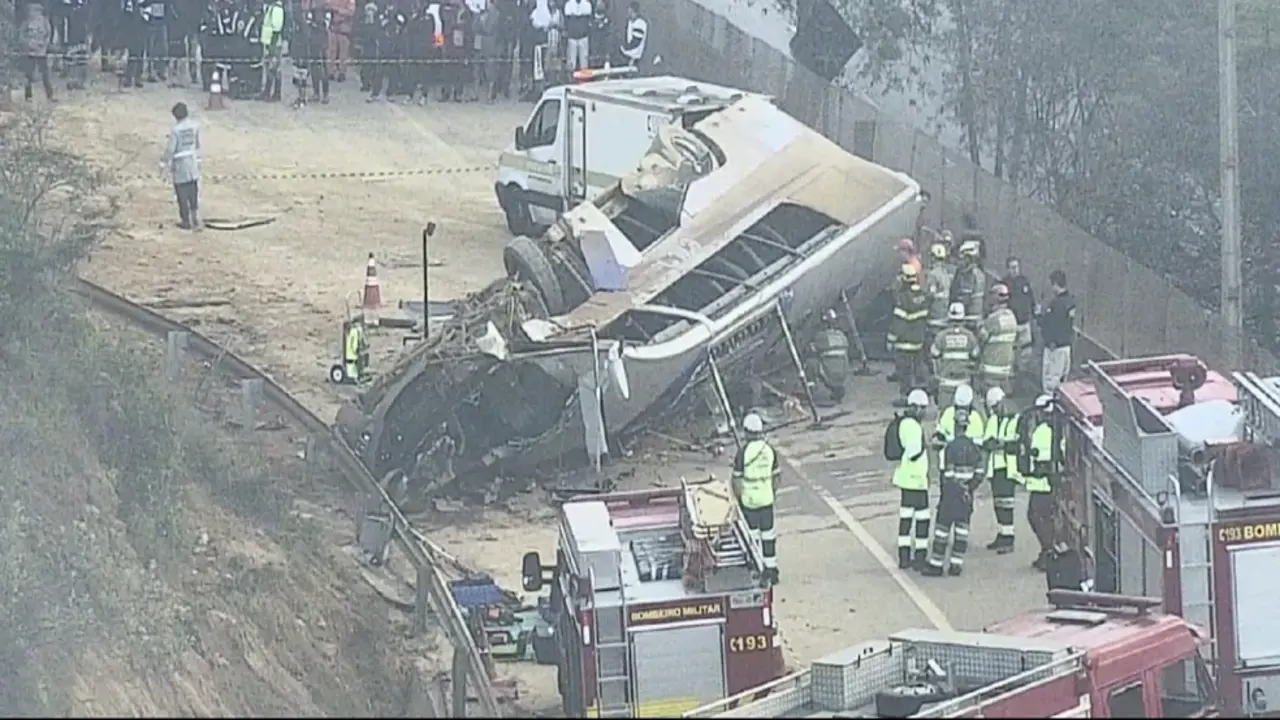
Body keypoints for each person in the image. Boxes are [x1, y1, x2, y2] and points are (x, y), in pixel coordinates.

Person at [923, 405, 983, 577]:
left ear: (956, 425)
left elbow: (948, 474)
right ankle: (956, 565)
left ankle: (936, 565)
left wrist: (955, 488)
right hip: (967, 497)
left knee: (942, 531)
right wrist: (969, 488)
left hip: (951, 496)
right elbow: (980, 472)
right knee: (961, 531)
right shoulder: (973, 447)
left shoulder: (951, 447)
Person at [732, 412, 780, 584]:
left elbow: (736, 479)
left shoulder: (743, 452)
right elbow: (776, 477)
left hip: (749, 502)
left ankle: (756, 570)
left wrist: (739, 498)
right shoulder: (769, 450)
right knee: (768, 535)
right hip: (767, 500)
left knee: (752, 538)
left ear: (746, 432)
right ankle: (772, 570)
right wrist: (771, 493)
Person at [892, 389, 931, 570]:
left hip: (906, 478)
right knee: (922, 519)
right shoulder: (913, 426)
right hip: (916, 480)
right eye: (922, 408)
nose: (924, 411)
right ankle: (920, 556)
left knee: (906, 518)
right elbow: (914, 452)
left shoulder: (903, 423)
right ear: (914, 407)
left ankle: (904, 556)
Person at [1022, 394, 1059, 571]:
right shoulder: (1055, 428)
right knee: (1044, 518)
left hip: (1044, 483)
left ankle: (1049, 551)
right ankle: (1047, 551)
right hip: (1047, 482)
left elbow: (1041, 458)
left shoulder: (1044, 431)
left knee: (1037, 517)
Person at [981, 386, 1021, 553]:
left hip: (1008, 466)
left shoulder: (1015, 420)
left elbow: (1019, 441)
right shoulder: (992, 420)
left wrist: (1003, 443)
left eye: (996, 406)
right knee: (998, 503)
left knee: (1007, 503)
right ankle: (1002, 533)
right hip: (995, 466)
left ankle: (1008, 538)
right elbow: (987, 439)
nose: (994, 410)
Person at [888, 263, 929, 407]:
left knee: (904, 372)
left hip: (904, 343)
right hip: (918, 340)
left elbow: (899, 322)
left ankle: (905, 397)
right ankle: (920, 394)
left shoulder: (903, 298)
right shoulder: (922, 296)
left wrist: (891, 339)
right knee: (918, 369)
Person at [160, 102, 203, 230]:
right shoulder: (195, 126)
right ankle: (195, 216)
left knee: (182, 192)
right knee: (193, 188)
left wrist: (164, 162)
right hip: (192, 160)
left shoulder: (176, 130)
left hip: (180, 163)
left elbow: (170, 149)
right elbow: (197, 144)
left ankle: (186, 220)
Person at [930, 302, 978, 409]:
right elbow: (975, 356)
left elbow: (934, 355)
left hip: (946, 382)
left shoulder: (941, 336)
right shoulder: (970, 336)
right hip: (964, 381)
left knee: (944, 413)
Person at [1038, 269, 1076, 395]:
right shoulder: (1070, 301)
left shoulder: (1056, 304)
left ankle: (1049, 408)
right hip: (1066, 347)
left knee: (1051, 381)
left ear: (1055, 284)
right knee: (1063, 380)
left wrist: (1039, 316)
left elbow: (1049, 324)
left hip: (1054, 348)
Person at [978, 283, 1018, 397]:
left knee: (989, 399)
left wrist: (980, 325)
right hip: (1006, 370)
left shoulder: (993, 319)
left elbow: (981, 339)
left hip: (991, 369)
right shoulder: (1012, 317)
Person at [804, 308, 849, 405]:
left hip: (829, 373)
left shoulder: (821, 336)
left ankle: (810, 391)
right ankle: (837, 390)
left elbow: (810, 349)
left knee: (810, 363)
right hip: (842, 374)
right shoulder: (842, 336)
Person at [1001, 257, 1036, 375]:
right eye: (1012, 268)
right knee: (1011, 350)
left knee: (1026, 351)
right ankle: (1010, 373)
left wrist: (1033, 311)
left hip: (1025, 322)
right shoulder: (1004, 284)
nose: (1015, 270)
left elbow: (1031, 298)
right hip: (1012, 323)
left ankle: (1023, 374)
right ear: (1007, 269)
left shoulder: (1024, 281)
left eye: (1016, 267)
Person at [19, 1, 56, 102]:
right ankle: (28, 96)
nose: (33, 13)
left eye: (35, 11)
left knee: (45, 74)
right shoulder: (26, 22)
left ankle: (50, 95)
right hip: (29, 52)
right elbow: (21, 36)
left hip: (41, 52)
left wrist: (44, 45)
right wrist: (28, 44)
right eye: (31, 11)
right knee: (29, 75)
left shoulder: (45, 21)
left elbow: (48, 34)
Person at [933, 382, 984, 447]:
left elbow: (979, 441)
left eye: (964, 408)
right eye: (959, 407)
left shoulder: (975, 417)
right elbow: (939, 435)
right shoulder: (948, 412)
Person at [925, 241, 955, 341]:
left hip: (934, 317)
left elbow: (930, 295)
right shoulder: (946, 273)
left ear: (933, 257)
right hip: (944, 315)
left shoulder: (932, 274)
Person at [950, 240, 986, 324]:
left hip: (968, 317)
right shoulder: (980, 273)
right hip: (978, 315)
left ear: (969, 258)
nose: (960, 262)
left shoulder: (968, 274)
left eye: (963, 258)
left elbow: (965, 296)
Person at [258, 0, 285, 100]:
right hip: (268, 42)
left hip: (274, 44)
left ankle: (275, 93)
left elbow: (276, 29)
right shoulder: (271, 7)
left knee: (274, 68)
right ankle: (267, 91)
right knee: (269, 68)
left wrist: (272, 46)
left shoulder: (277, 8)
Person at [325, 0, 354, 81]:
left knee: (343, 52)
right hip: (332, 27)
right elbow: (326, 5)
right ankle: (331, 71)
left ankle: (342, 72)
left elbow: (351, 12)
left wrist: (338, 10)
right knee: (331, 50)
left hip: (344, 28)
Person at [561, 0, 589, 71]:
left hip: (583, 37)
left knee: (584, 63)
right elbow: (568, 21)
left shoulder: (587, 4)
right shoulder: (568, 5)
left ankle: (584, 80)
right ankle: (571, 80)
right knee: (571, 64)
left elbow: (587, 21)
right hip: (572, 38)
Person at [617, 0, 645, 67]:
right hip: (628, 55)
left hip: (635, 56)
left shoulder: (640, 23)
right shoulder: (629, 22)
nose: (629, 13)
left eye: (631, 11)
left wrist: (624, 49)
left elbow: (635, 43)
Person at [343, 315, 370, 383]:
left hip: (352, 354)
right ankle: (357, 375)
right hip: (353, 356)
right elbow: (354, 344)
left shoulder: (355, 330)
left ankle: (359, 374)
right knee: (357, 363)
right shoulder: (355, 331)